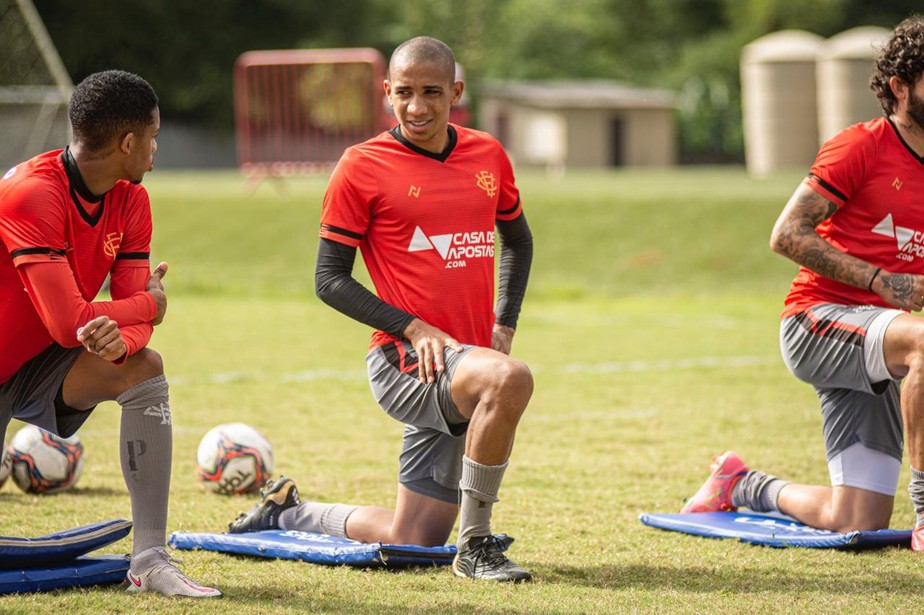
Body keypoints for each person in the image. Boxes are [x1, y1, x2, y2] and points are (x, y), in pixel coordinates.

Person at [229, 36, 535, 582]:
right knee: (509, 381)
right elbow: (328, 280)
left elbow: (518, 238)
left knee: (411, 538)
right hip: (403, 362)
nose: (417, 107)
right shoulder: (362, 166)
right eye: (405, 93)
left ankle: (288, 511)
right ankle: (477, 547)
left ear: (456, 92)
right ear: (386, 91)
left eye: (432, 93)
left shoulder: (487, 153)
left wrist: (503, 326)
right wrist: (413, 328)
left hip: (466, 363)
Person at [680, 15, 924, 545]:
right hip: (817, 324)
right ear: (901, 88)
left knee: (856, 520)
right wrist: (882, 281)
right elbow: (786, 234)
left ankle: (743, 484)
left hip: (881, 343)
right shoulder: (860, 145)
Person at [0, 70, 220, 597]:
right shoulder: (30, 194)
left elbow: (125, 322)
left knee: (144, 370)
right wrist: (151, 304)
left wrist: (129, 340)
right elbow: (69, 321)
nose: (156, 148)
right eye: (154, 135)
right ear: (128, 142)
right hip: (40, 342)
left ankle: (150, 560)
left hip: (36, 362)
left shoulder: (131, 200)